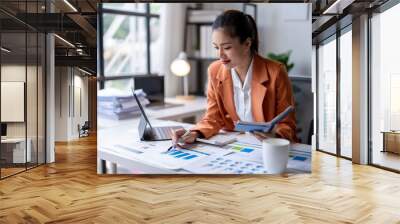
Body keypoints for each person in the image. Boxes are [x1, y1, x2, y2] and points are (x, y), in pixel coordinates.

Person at [172, 9, 297, 145]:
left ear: (247, 44)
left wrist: (275, 135)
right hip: (236, 145)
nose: (220, 55)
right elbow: (213, 117)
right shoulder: (214, 70)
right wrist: (194, 132)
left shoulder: (276, 72)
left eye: (226, 48)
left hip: (271, 147)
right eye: (216, 47)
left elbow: (287, 124)